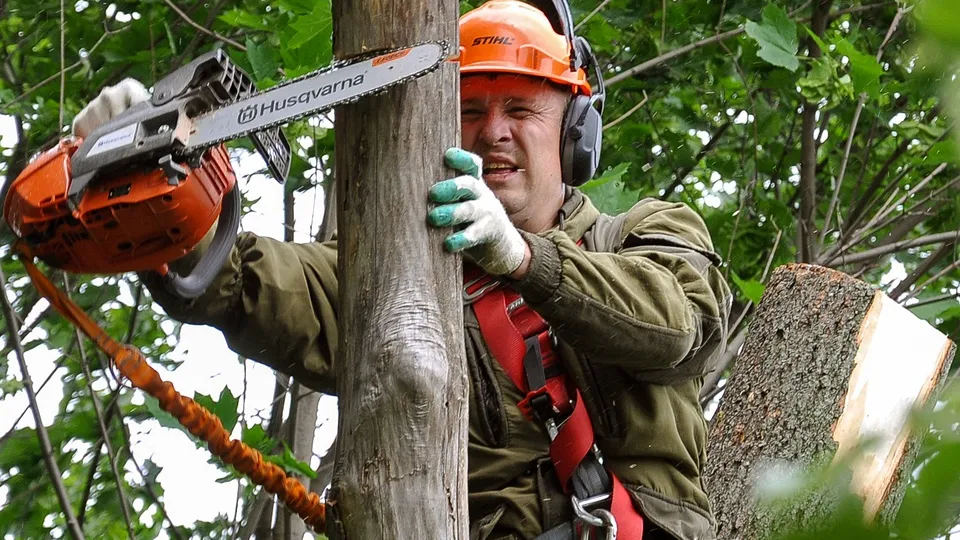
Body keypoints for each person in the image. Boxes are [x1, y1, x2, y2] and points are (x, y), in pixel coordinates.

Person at [72, 1, 731, 538]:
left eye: (521, 109)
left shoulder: (644, 232)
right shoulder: (396, 273)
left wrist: (528, 260)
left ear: (572, 131)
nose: (494, 132)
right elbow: (241, 284)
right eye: (471, 110)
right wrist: (160, 191)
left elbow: (676, 326)